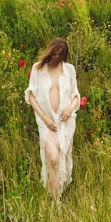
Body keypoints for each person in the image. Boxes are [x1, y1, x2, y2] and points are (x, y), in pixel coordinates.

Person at [24, 37, 80, 202]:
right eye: (54, 54)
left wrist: (70, 109)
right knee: (53, 157)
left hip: (65, 121)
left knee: (63, 155)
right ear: (49, 52)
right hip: (46, 121)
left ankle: (58, 193)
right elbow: (31, 96)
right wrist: (44, 117)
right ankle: (55, 201)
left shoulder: (68, 69)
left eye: (59, 55)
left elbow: (76, 96)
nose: (56, 58)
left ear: (64, 56)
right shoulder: (38, 68)